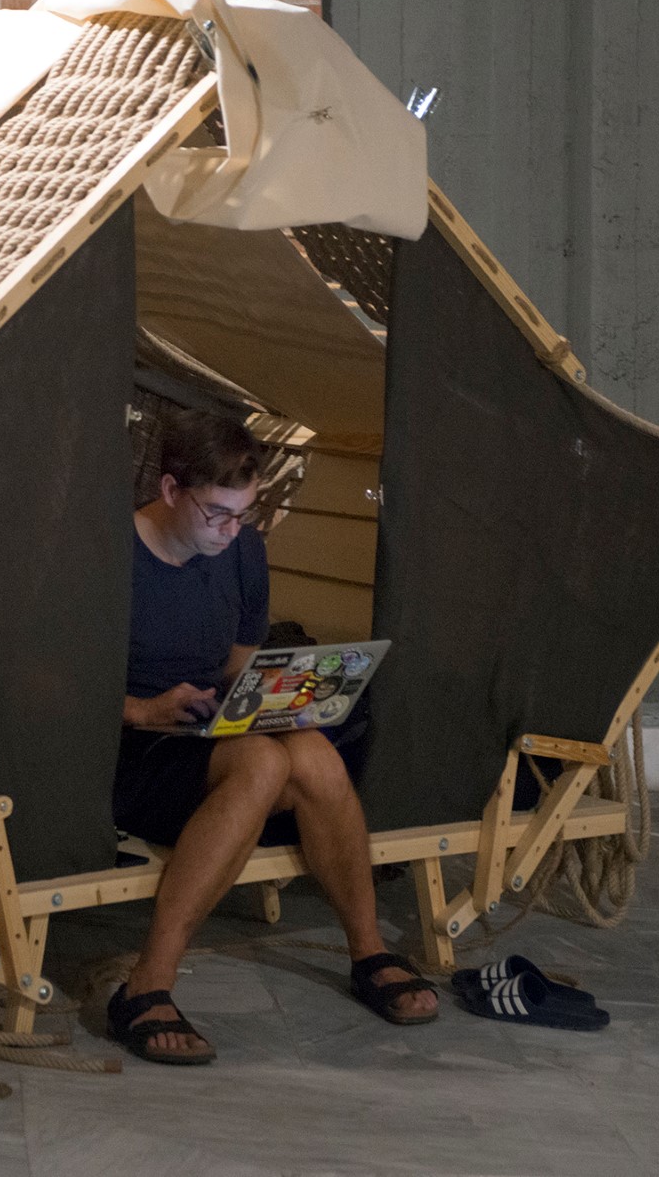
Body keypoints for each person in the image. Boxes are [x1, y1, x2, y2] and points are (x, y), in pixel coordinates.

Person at [107, 408, 438, 1065]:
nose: (232, 531)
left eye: (245, 514)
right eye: (218, 514)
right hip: (125, 742)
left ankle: (368, 952)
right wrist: (143, 709)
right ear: (171, 489)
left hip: (207, 731)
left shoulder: (242, 551)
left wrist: (284, 697)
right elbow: (48, 685)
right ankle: (147, 983)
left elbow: (237, 665)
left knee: (309, 750)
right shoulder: (112, 554)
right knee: (261, 762)